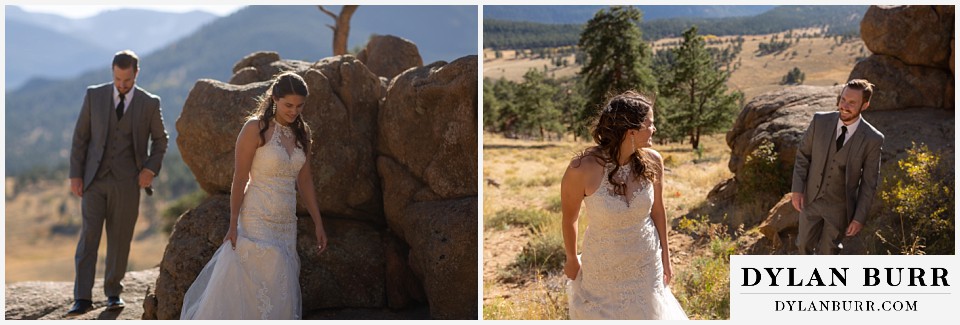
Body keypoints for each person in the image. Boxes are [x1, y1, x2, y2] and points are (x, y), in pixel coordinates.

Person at [179, 72, 328, 320]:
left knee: (281, 282)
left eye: (299, 106)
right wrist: (233, 223)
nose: (294, 111)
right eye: (288, 105)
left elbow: (305, 180)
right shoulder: (254, 128)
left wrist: (318, 222)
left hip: (286, 221)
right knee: (259, 278)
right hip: (256, 216)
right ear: (275, 99)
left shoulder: (303, 134)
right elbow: (239, 178)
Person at [560, 91, 687, 319]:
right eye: (649, 124)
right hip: (602, 268)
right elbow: (570, 218)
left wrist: (666, 259)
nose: (654, 129)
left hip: (646, 262)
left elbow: (658, 211)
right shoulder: (582, 168)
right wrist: (571, 258)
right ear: (631, 131)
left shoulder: (653, 161)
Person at [67, 50, 168, 316]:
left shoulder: (149, 103)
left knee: (120, 239)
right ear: (113, 72)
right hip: (93, 180)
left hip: (127, 183)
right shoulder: (94, 95)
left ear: (136, 73)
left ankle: (113, 293)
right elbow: (81, 137)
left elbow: (161, 140)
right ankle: (82, 297)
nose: (122, 85)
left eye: (127, 80)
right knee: (89, 237)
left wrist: (150, 169)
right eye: (117, 79)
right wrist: (75, 175)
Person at [791, 79, 884, 255]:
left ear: (865, 105)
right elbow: (803, 155)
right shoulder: (820, 121)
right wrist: (797, 190)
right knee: (802, 246)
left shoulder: (873, 138)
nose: (844, 106)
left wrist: (859, 218)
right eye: (843, 100)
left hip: (839, 208)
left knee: (829, 252)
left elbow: (869, 183)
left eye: (852, 103)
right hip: (811, 200)